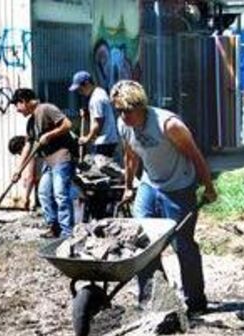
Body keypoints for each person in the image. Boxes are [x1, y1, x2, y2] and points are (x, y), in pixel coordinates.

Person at [109, 80, 217, 314]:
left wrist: (208, 187)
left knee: (183, 244)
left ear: (140, 106)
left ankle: (195, 300)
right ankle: (154, 297)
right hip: (150, 184)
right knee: (142, 244)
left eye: (127, 111)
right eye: (119, 111)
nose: (123, 116)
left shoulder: (168, 125)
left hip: (179, 187)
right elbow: (130, 156)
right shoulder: (123, 124)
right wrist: (128, 186)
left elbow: (196, 156)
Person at [11, 88, 75, 238]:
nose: (17, 110)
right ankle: (54, 227)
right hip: (49, 161)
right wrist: (18, 171)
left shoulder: (46, 109)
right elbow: (28, 146)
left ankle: (67, 233)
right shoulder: (31, 122)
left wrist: (49, 135)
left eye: (17, 105)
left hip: (61, 156)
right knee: (44, 193)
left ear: (24, 101)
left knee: (60, 194)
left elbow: (67, 124)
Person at [69, 70, 120, 157]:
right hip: (108, 140)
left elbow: (98, 123)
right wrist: (87, 114)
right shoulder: (100, 92)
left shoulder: (96, 99)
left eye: (80, 89)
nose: (79, 92)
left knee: (99, 168)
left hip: (104, 142)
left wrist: (87, 138)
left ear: (87, 83)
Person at [9, 135, 38, 211]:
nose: (20, 155)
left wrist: (26, 198)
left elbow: (30, 177)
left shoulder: (32, 148)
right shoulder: (33, 142)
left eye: (19, 153)